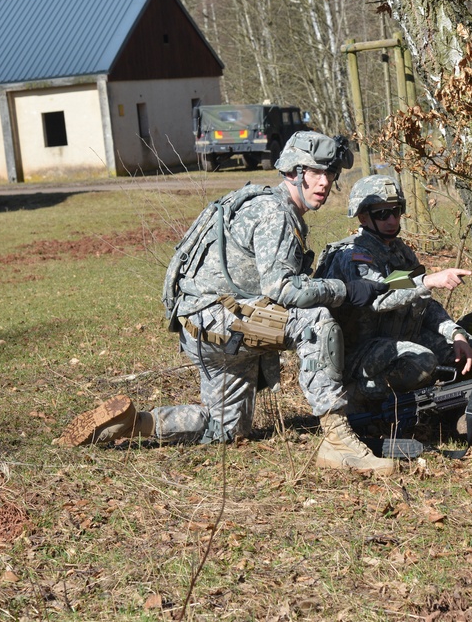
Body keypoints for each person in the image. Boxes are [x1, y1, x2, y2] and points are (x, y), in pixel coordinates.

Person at [57, 132, 397, 476]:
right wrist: (346, 289)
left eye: (330, 174)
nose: (324, 182)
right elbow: (281, 289)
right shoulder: (275, 213)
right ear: (294, 171)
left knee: (225, 428)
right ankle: (337, 441)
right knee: (315, 323)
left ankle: (135, 423)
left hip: (206, 324)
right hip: (218, 322)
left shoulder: (262, 203)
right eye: (314, 172)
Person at [316, 174, 472, 409]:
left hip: (397, 339)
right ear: (363, 216)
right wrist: (429, 280)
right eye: (382, 214)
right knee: (422, 362)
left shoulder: (400, 252)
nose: (392, 220)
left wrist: (455, 333)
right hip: (358, 352)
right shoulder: (352, 255)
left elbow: (424, 304)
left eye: (396, 211)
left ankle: (427, 397)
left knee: (467, 348)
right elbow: (379, 297)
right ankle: (351, 398)